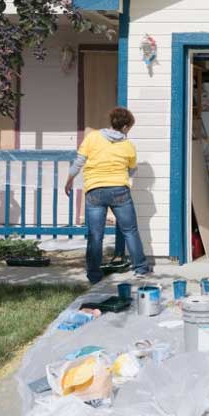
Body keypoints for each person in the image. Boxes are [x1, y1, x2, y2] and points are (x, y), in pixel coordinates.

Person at [64, 107, 150, 284]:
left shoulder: (93, 137)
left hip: (95, 190)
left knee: (96, 234)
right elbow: (132, 169)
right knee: (130, 230)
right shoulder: (128, 145)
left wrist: (69, 180)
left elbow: (78, 162)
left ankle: (94, 275)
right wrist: (122, 176)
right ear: (125, 127)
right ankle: (140, 269)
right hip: (119, 190)